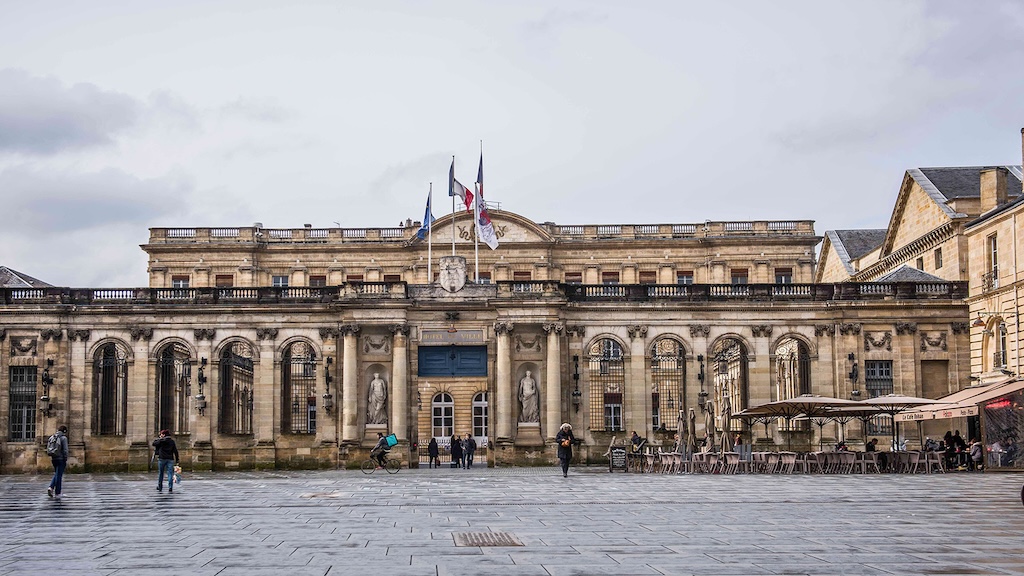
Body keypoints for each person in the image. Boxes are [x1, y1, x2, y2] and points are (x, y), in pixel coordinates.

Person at [152, 429, 179, 493]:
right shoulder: (172, 441)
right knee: (170, 474)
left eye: (161, 434)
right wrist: (177, 459)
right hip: (170, 459)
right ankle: (170, 487)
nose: (160, 435)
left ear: (163, 435)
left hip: (162, 459)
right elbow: (175, 451)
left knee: (161, 473)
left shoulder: (161, 441)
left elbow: (154, 443)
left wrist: (160, 438)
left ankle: (160, 486)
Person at [47, 425, 69, 499]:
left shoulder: (52, 437)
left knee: (57, 473)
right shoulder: (63, 438)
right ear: (64, 431)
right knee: (59, 476)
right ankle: (58, 493)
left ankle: (51, 487)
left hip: (54, 458)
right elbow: (65, 450)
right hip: (61, 459)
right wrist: (65, 458)